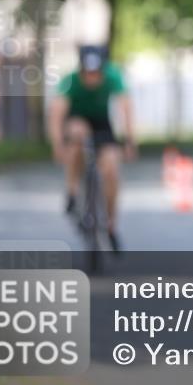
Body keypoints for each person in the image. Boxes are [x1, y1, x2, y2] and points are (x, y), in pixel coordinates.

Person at [48, 44, 136, 251]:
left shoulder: (113, 76)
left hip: (102, 124)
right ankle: (71, 192)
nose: (92, 77)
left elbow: (126, 107)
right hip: (77, 122)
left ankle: (111, 224)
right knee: (78, 133)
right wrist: (58, 144)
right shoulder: (70, 81)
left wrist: (130, 140)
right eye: (88, 73)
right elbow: (56, 114)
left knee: (111, 169)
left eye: (96, 73)